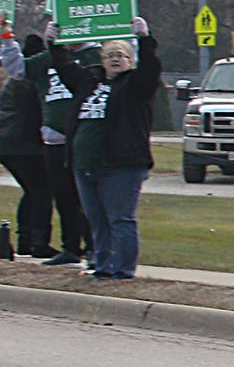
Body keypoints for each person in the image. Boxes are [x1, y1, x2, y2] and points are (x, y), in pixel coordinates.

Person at [48, 17, 160, 280]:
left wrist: (144, 40)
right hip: (85, 164)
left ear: (131, 61)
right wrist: (53, 42)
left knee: (120, 219)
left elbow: (150, 70)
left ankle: (122, 270)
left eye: (121, 55)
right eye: (110, 55)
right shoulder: (89, 80)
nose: (115, 58)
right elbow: (64, 67)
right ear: (102, 60)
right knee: (95, 219)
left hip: (121, 165)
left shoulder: (135, 86)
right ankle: (102, 265)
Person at [1, 23, 100, 265]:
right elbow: (17, 68)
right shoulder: (46, 59)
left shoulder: (97, 56)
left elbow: (132, 70)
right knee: (64, 196)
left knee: (90, 197)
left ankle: (96, 246)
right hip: (55, 139)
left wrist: (139, 38)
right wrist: (6, 38)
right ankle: (70, 246)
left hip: (87, 136)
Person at [0, 56, 52, 258]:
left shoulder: (12, 82)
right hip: (26, 145)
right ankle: (38, 242)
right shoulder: (28, 83)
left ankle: (25, 240)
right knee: (42, 191)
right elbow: (35, 114)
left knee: (31, 191)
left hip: (8, 143)